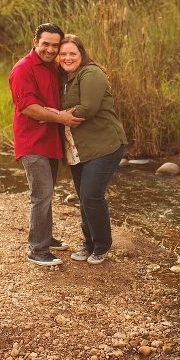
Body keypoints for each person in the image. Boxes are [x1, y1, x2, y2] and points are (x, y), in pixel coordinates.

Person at [8, 23, 85, 266]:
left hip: (51, 140)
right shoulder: (22, 69)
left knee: (47, 191)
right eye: (46, 44)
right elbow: (29, 107)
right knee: (41, 194)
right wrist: (60, 117)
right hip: (32, 141)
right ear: (35, 42)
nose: (50, 49)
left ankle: (46, 237)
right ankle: (37, 250)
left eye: (55, 45)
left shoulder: (54, 67)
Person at [58, 35, 128, 265]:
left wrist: (55, 116)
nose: (67, 58)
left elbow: (88, 108)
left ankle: (101, 246)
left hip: (105, 144)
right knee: (83, 197)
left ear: (82, 54)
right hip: (79, 147)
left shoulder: (91, 73)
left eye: (72, 53)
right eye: (63, 54)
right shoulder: (64, 77)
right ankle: (88, 244)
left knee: (91, 196)